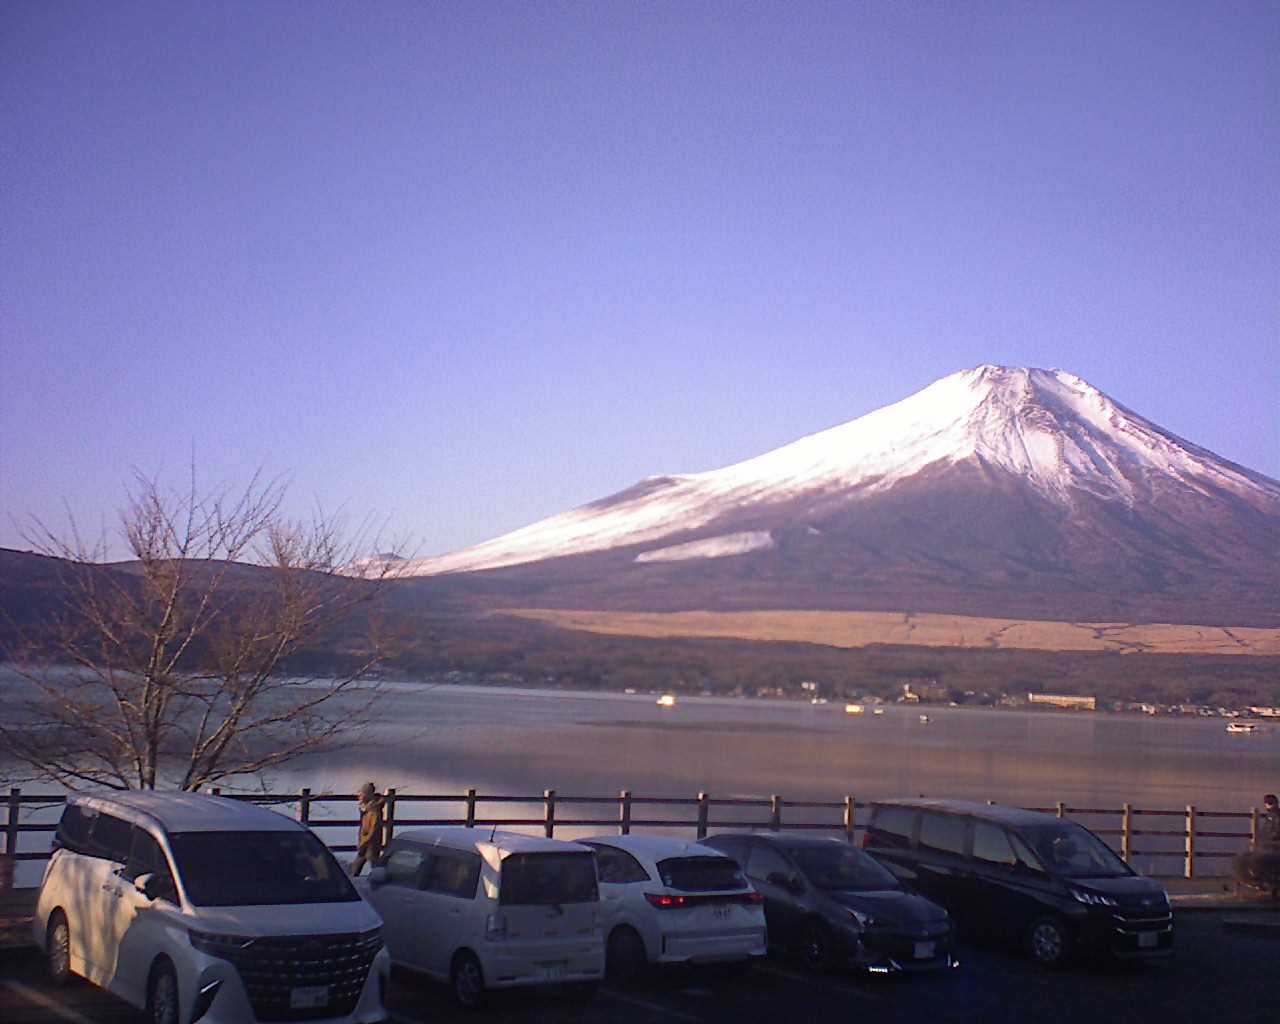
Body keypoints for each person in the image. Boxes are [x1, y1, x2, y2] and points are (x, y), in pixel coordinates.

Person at [349, 783, 385, 877]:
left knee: (374, 865)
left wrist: (364, 842)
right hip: (366, 843)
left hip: (370, 844)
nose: (359, 796)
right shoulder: (367, 809)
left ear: (367, 795)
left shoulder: (373, 810)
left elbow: (374, 829)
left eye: (361, 794)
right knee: (358, 866)